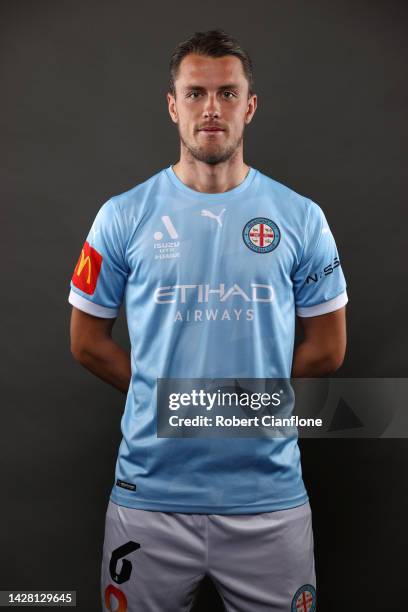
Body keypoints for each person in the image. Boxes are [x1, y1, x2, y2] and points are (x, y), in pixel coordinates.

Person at [68, 29, 347, 612]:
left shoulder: (301, 218)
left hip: (268, 500)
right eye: (195, 93)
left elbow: (327, 348)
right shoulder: (122, 216)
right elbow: (87, 341)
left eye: (227, 93)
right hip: (150, 498)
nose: (211, 108)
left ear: (249, 106)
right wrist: (164, 397)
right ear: (173, 106)